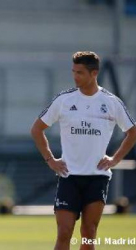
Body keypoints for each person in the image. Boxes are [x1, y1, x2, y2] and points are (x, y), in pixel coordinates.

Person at [31, 51, 136, 250]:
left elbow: (132, 132)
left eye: (80, 72)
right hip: (68, 176)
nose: (75, 76)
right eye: (73, 71)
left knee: (88, 233)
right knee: (64, 232)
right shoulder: (64, 100)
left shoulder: (111, 102)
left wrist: (114, 160)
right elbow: (37, 129)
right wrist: (50, 160)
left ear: (94, 73)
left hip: (97, 177)